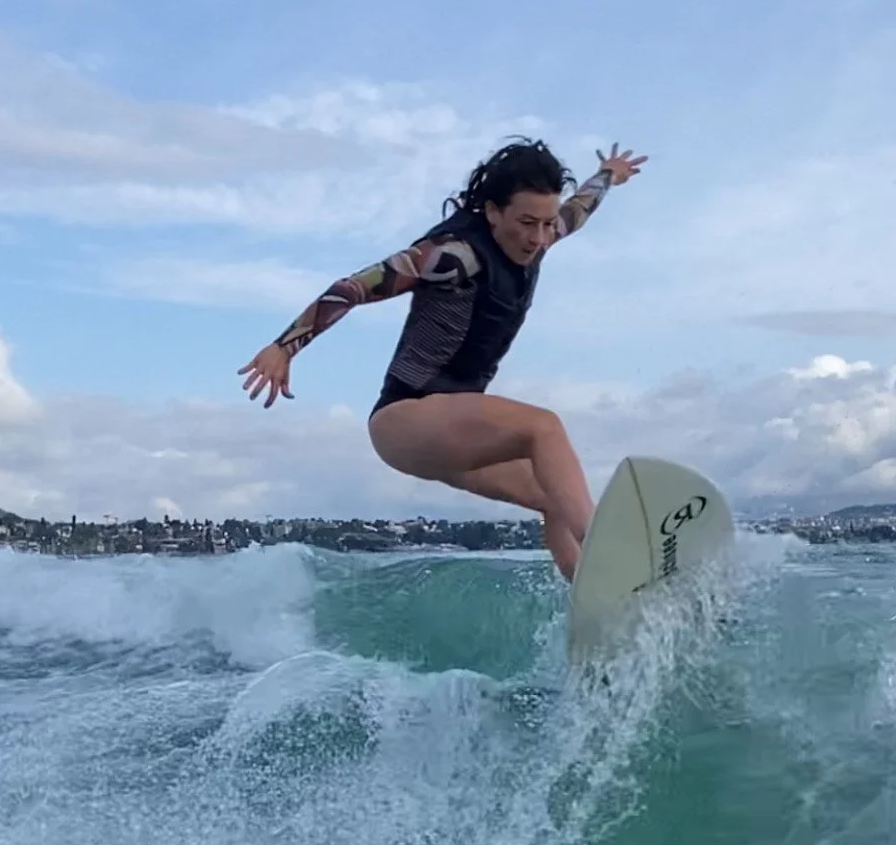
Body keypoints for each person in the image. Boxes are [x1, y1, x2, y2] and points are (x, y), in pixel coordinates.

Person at [238, 137, 647, 581]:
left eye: (546, 224)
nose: (538, 237)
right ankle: (611, 555)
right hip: (405, 418)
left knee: (555, 493)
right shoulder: (452, 257)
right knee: (543, 427)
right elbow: (353, 287)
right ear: (493, 212)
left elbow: (580, 207)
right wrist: (284, 346)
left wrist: (609, 174)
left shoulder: (543, 235)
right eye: (527, 222)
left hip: (453, 431)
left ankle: (593, 591)